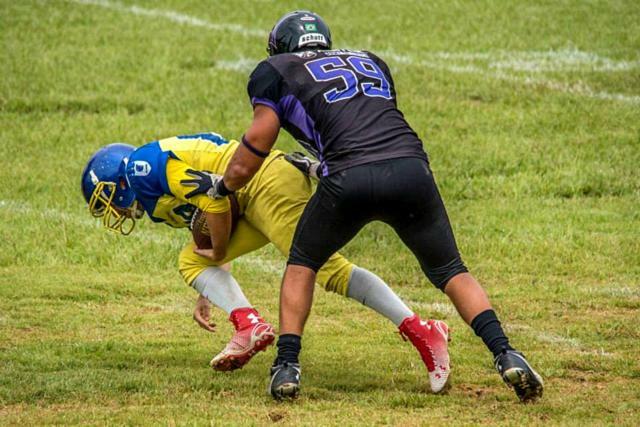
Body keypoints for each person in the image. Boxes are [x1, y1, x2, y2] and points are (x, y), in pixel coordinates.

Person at [188, 11, 544, 402]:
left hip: (349, 179)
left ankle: (286, 365)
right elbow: (366, 126)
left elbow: (258, 141)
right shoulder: (371, 61)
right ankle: (506, 353)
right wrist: (313, 165)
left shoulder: (276, 69)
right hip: (411, 169)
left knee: (303, 264)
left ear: (280, 47)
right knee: (451, 270)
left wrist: (224, 186)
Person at [80, 132, 450, 382]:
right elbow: (214, 218)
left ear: (118, 180)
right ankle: (248, 323)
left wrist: (220, 251)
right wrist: (208, 287)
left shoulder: (142, 169)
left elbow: (214, 199)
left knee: (329, 271)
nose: (112, 210)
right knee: (193, 261)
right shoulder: (149, 178)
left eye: (107, 198)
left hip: (264, 184)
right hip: (249, 195)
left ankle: (422, 330)